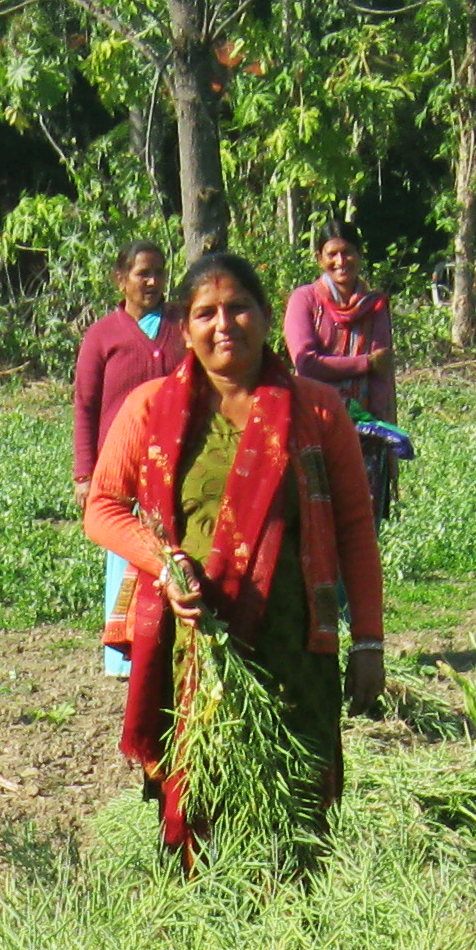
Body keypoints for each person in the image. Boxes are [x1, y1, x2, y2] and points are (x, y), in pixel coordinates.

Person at [79, 250, 384, 861]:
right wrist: (163, 566)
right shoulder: (149, 409)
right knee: (197, 803)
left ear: (267, 316)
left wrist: (370, 645)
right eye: (205, 313)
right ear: (184, 327)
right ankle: (202, 924)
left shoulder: (318, 411)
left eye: (239, 308)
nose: (224, 325)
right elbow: (103, 507)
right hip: (193, 647)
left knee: (295, 813)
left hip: (295, 644)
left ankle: (292, 933)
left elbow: (354, 530)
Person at [72, 240, 183, 679]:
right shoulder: (103, 335)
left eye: (159, 272)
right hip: (121, 468)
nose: (153, 282)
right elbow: (85, 405)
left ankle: (168, 642)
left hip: (175, 463)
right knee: (129, 553)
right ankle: (125, 654)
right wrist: (85, 474)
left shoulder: (180, 326)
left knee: (173, 553)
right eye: (143, 273)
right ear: (121, 280)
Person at [284, 223, 404, 518]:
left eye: (347, 252)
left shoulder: (375, 305)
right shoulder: (305, 300)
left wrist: (385, 437)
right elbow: (306, 362)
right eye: (332, 254)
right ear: (319, 258)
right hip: (316, 425)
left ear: (359, 255)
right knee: (319, 517)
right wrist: (364, 363)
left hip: (365, 432)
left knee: (361, 521)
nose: (340, 261)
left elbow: (382, 376)